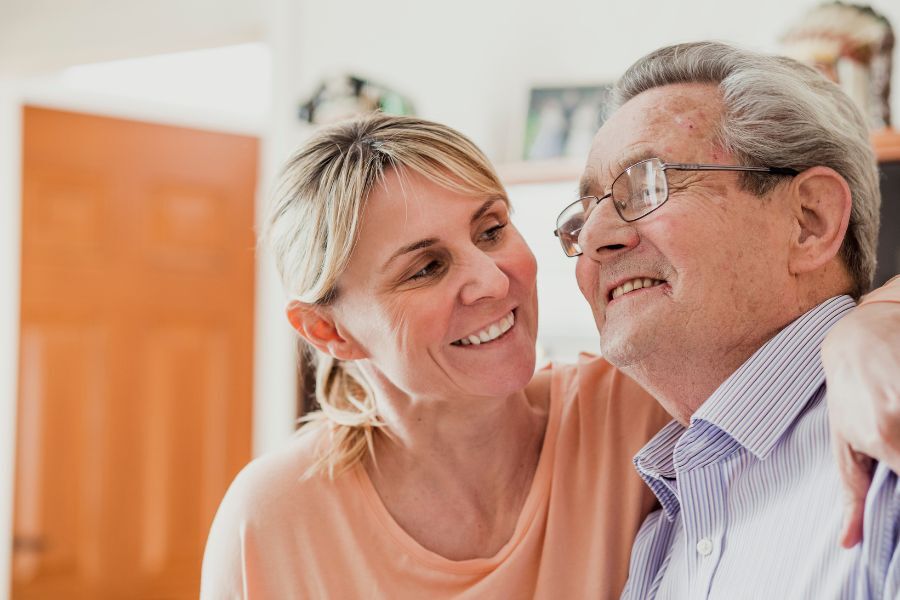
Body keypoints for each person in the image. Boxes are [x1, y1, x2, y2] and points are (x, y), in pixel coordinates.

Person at [200, 113, 899, 599]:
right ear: (329, 334)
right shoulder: (273, 520)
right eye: (426, 268)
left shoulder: (634, 404)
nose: (491, 278)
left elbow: (789, 330)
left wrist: (872, 321)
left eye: (492, 229)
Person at [562, 41, 899, 598]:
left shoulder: (882, 436)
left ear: (809, 221)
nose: (595, 237)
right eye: (586, 212)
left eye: (646, 185)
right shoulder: (656, 527)